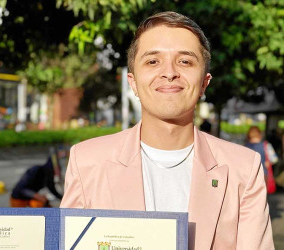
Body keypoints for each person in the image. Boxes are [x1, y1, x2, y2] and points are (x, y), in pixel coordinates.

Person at [60, 11, 274, 249]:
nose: (169, 72)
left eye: (185, 61)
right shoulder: (87, 162)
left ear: (204, 82)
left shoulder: (243, 168)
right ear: (133, 82)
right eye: (153, 61)